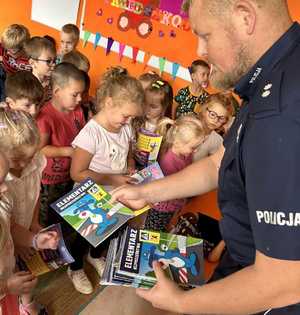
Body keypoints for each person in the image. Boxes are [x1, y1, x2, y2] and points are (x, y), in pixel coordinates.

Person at [111, 0, 300, 314]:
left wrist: (182, 302)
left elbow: (284, 280)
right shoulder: (274, 73)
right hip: (244, 259)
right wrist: (145, 191)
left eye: (206, 35)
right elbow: (217, 164)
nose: (201, 49)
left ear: (244, 17)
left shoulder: (280, 114)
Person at [68, 66, 144, 294]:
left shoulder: (125, 126)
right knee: (84, 235)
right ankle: (75, 267)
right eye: (126, 115)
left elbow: (128, 151)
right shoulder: (91, 134)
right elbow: (77, 173)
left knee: (107, 231)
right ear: (109, 103)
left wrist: (130, 164)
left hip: (116, 192)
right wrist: (113, 177)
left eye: (131, 116)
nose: (128, 120)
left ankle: (94, 256)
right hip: (89, 196)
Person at [0, 110, 59, 315]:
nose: (26, 163)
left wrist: (33, 231)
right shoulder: (3, 182)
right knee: (17, 272)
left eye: (31, 156)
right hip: (9, 245)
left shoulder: (33, 162)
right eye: (17, 160)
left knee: (24, 274)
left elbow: (35, 195)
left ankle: (26, 303)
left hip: (18, 234)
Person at [37, 62, 86, 227]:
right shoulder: (45, 117)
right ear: (57, 92)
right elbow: (41, 149)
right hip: (49, 181)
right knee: (46, 219)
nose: (80, 99)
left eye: (81, 94)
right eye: (75, 94)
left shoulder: (78, 110)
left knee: (64, 214)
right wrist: (68, 151)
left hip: (71, 175)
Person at [144, 114, 205, 231]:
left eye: (198, 146)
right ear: (177, 143)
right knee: (153, 230)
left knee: (163, 225)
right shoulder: (168, 162)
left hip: (174, 201)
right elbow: (169, 190)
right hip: (162, 205)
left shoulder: (186, 153)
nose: (196, 150)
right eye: (193, 147)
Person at [193, 93, 234, 161]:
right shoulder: (188, 123)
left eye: (221, 118)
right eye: (212, 114)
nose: (215, 120)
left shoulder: (218, 141)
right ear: (204, 110)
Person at [0, 24, 31, 101]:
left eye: (12, 51)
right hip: (5, 74)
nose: (7, 53)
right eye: (6, 49)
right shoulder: (6, 46)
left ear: (24, 48)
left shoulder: (31, 59)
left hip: (19, 82)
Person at [24, 36, 57, 102]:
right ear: (32, 63)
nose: (53, 64)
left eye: (54, 61)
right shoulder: (28, 87)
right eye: (48, 61)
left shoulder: (52, 80)